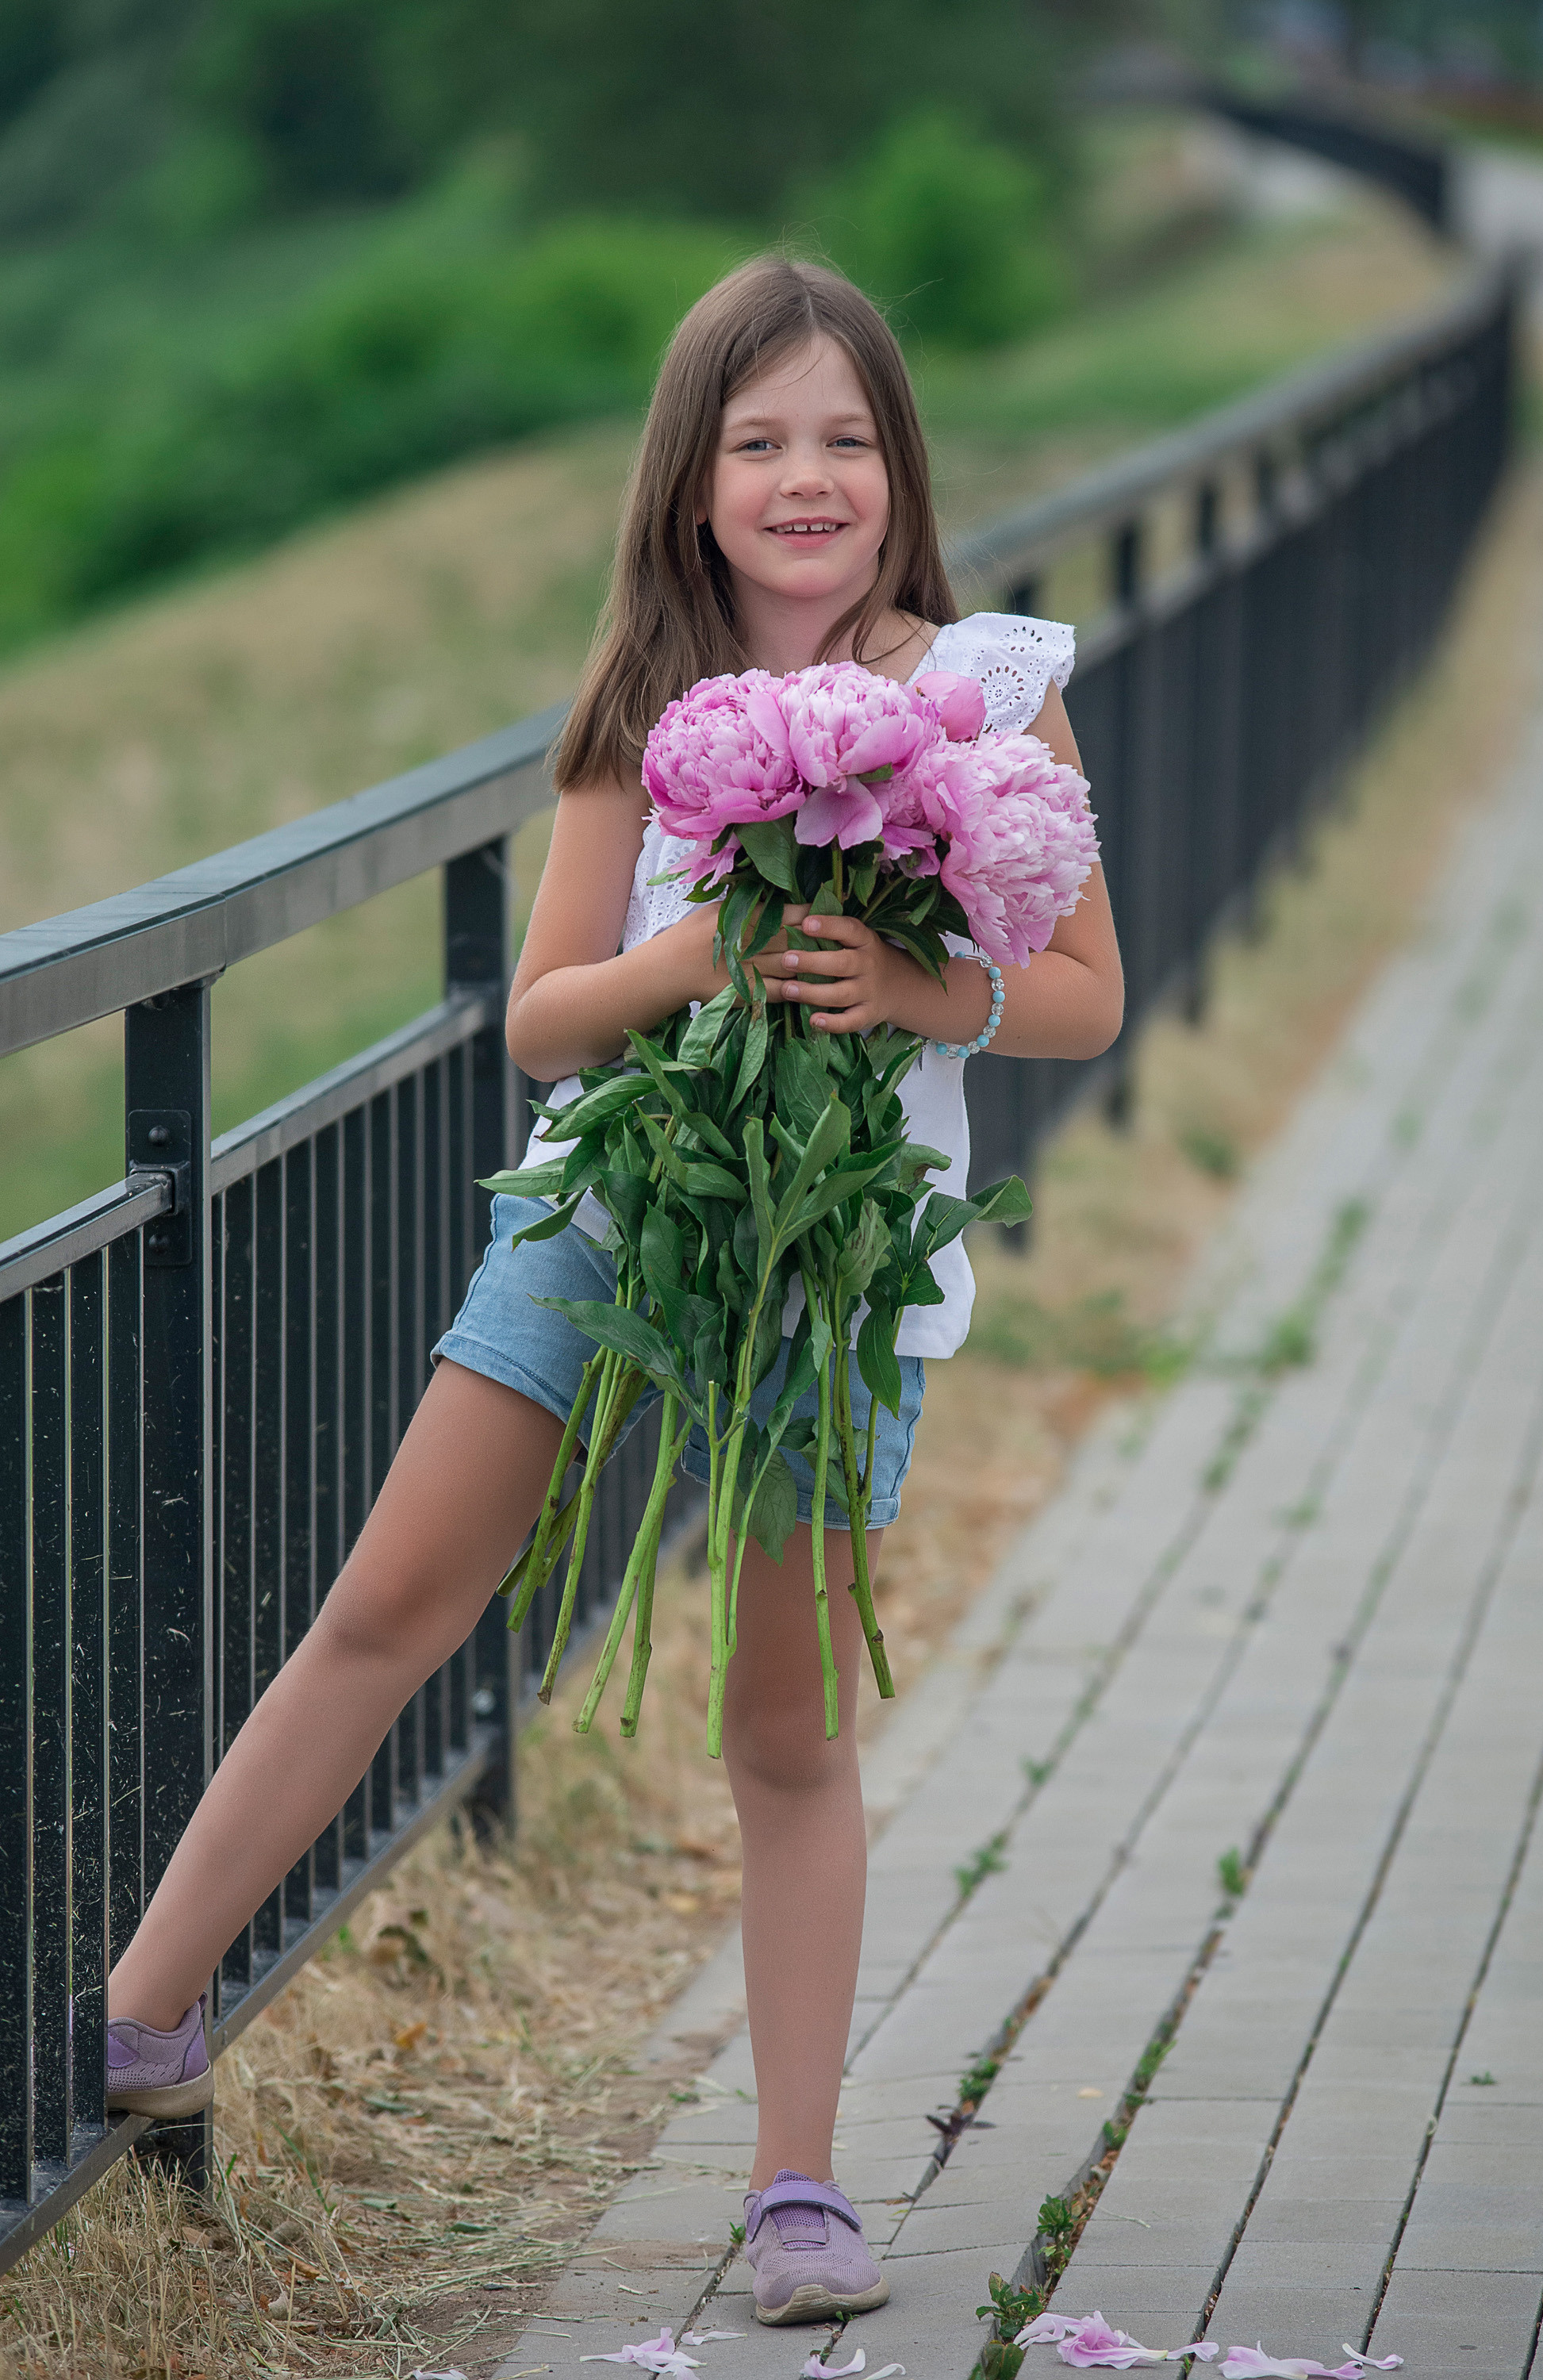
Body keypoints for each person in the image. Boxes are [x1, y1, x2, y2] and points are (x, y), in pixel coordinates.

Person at [104, 256, 1124, 2328]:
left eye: (845, 439)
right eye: (760, 444)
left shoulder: (987, 694)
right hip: (602, 1213)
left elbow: (1086, 996)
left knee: (784, 1726)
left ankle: (800, 2189)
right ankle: (129, 2015)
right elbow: (548, 1018)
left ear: (899, 468)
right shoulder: (642, 699)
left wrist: (926, 989)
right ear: (691, 481)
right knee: (398, 1601)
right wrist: (684, 971)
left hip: (835, 1260)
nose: (807, 478)